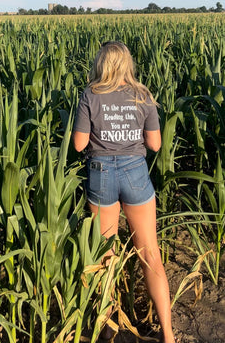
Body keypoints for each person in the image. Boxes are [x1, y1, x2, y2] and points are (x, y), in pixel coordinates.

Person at [72, 41, 176, 343]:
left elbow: (79, 145)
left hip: (100, 174)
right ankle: (168, 335)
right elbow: (155, 144)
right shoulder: (142, 95)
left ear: (102, 64)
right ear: (127, 64)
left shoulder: (90, 94)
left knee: (106, 258)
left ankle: (107, 328)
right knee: (151, 257)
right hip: (135, 174)